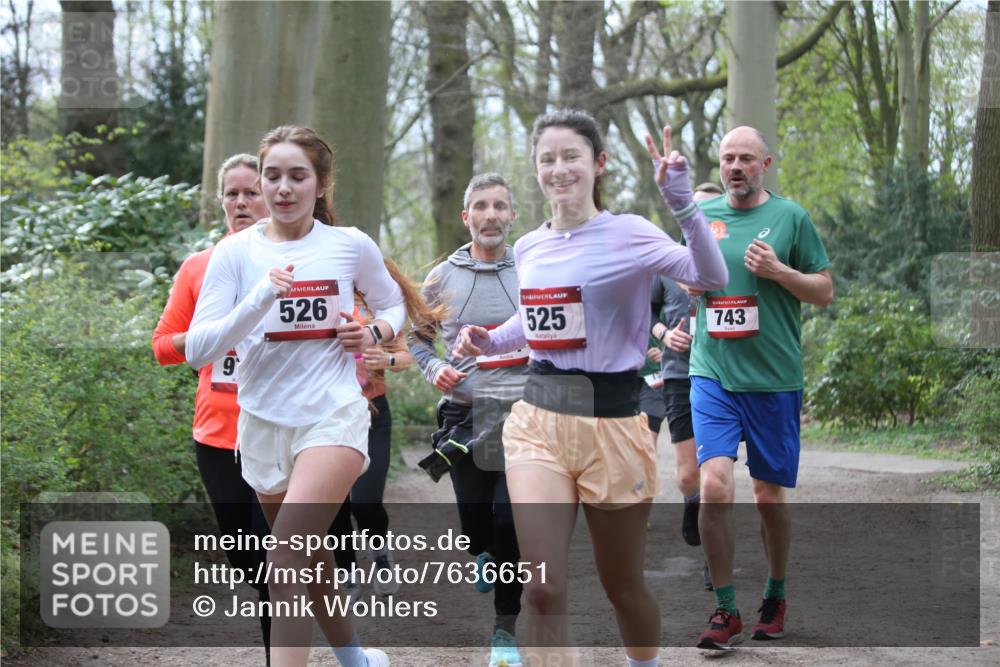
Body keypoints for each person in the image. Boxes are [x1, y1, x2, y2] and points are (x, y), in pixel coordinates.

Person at [455, 110, 728, 667]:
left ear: (598, 163)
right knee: (541, 588)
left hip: (613, 422)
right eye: (547, 159)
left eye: (571, 156)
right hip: (539, 420)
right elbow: (536, 319)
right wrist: (490, 338)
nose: (559, 169)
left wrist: (682, 202)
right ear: (536, 169)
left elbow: (711, 276)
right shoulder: (529, 247)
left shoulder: (630, 233)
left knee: (622, 586)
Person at [185, 125, 401, 667]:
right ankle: (355, 658)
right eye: (273, 176)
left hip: (333, 415)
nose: (283, 188)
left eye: (298, 176)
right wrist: (260, 297)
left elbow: (394, 304)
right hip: (262, 422)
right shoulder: (235, 254)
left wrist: (372, 333)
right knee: (312, 556)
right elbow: (198, 348)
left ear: (321, 184)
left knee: (284, 558)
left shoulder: (349, 244)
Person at [687, 127, 832, 650]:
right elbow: (686, 278)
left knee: (768, 495)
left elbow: (823, 290)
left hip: (773, 377)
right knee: (714, 485)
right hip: (713, 372)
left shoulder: (791, 217)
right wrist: (690, 282)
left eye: (746, 158)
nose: (735, 166)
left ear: (765, 164)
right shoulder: (702, 217)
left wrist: (779, 271)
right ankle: (725, 608)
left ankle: (775, 593)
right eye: (728, 158)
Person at [152, 153, 274, 663]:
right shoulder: (198, 267)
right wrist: (211, 336)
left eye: (252, 192)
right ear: (221, 201)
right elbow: (162, 346)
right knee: (245, 556)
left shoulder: (297, 265)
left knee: (275, 556)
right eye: (232, 194)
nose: (241, 202)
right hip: (217, 433)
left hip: (278, 429)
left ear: (273, 197)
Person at [409, 173, 528, 667]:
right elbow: (418, 339)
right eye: (481, 206)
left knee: (510, 521)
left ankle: (504, 631)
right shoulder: (442, 276)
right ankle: (482, 551)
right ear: (466, 217)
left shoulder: (532, 267)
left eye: (499, 206)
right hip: (463, 416)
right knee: (476, 528)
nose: (490, 215)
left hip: (523, 414)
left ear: (512, 215)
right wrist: (435, 368)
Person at [650, 183, 725, 592]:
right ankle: (690, 499)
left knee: (717, 472)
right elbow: (645, 312)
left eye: (711, 209)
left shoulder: (732, 259)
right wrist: (665, 334)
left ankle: (715, 560)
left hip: (724, 374)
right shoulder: (666, 262)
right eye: (695, 209)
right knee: (688, 475)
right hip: (679, 373)